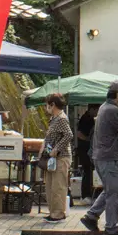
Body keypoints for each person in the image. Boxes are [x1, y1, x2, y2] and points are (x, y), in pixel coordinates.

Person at [81, 81, 118, 235]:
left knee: (109, 189)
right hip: (109, 156)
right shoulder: (113, 110)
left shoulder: (104, 107)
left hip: (101, 156)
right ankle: (111, 228)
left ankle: (91, 216)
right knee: (115, 193)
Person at [41, 93, 73, 222]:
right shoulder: (54, 118)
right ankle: (53, 212)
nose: (46, 107)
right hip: (51, 157)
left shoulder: (61, 118)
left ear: (52, 104)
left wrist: (56, 149)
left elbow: (69, 135)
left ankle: (58, 213)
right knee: (50, 185)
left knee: (58, 186)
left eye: (47, 104)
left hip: (61, 157)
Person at [76, 103, 99, 204]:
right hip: (84, 149)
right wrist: (89, 140)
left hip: (88, 149)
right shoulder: (86, 119)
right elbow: (79, 134)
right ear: (92, 109)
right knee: (87, 171)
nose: (98, 112)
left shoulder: (90, 119)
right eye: (97, 110)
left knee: (89, 171)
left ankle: (88, 195)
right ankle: (85, 195)